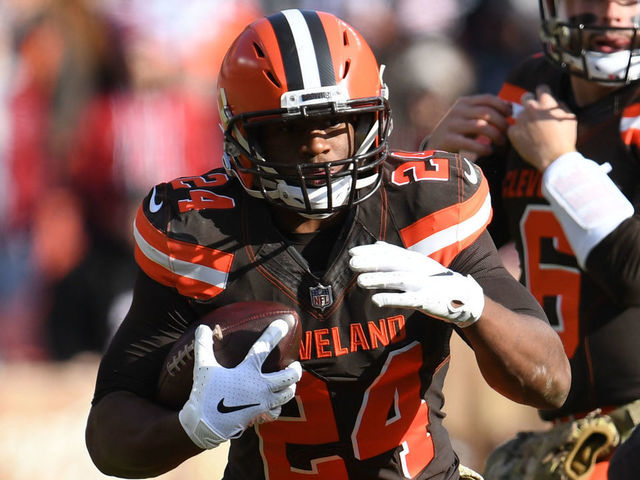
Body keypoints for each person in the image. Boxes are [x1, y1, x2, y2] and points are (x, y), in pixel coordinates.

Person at [84, 9, 570, 480]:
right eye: (288, 128)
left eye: (334, 124)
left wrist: (469, 302)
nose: (317, 146)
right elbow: (109, 435)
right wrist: (195, 426)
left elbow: (550, 381)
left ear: (368, 121)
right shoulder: (199, 235)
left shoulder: (425, 207)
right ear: (243, 134)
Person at [423, 1, 640, 478]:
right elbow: (456, 251)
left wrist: (561, 166)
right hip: (570, 437)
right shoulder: (531, 87)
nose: (609, 12)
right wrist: (438, 171)